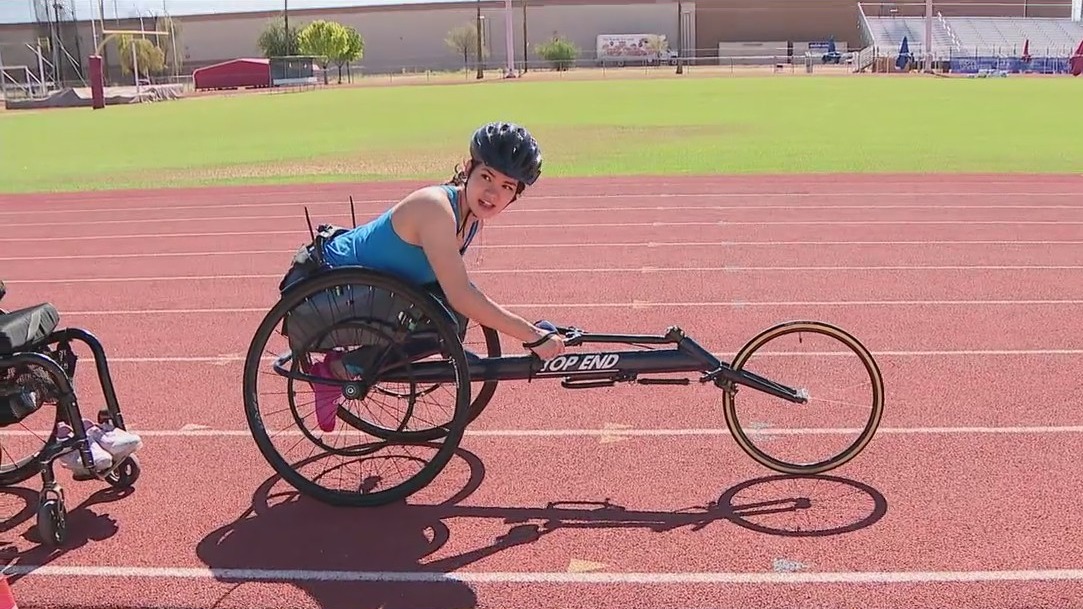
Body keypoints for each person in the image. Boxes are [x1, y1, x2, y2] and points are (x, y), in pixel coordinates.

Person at [282, 121, 566, 432]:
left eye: (506, 187)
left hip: (376, 290)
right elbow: (461, 294)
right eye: (486, 177)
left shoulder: (470, 216)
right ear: (468, 169)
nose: (492, 193)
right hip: (327, 292)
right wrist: (532, 335)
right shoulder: (436, 208)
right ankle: (335, 372)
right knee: (446, 320)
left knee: (451, 320)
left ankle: (362, 362)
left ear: (514, 195)